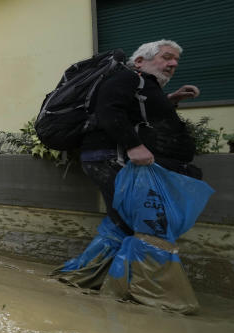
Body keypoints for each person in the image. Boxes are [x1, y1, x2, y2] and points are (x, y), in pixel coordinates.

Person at [79, 39, 202, 235]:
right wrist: (133, 145)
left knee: (133, 223)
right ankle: (138, 263)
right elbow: (109, 110)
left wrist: (170, 99)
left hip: (120, 159)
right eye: (167, 58)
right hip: (114, 158)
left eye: (176, 60)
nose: (174, 64)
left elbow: (137, 112)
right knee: (140, 224)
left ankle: (113, 262)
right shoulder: (128, 78)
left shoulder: (143, 84)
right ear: (139, 61)